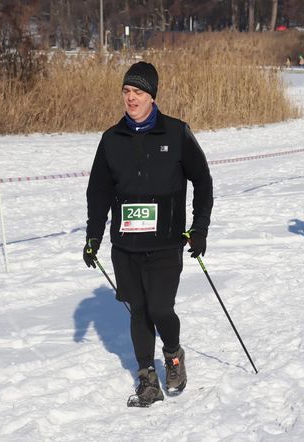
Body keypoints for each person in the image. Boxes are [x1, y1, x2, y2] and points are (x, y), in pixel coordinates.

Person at [83, 61, 213, 407]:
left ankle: (172, 354)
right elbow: (97, 192)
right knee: (138, 310)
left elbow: (202, 181)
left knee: (159, 308)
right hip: (125, 245)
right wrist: (93, 236)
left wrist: (199, 228)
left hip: (167, 242)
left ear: (152, 97)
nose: (130, 98)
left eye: (138, 92)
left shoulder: (175, 132)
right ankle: (146, 377)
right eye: (126, 91)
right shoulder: (112, 139)